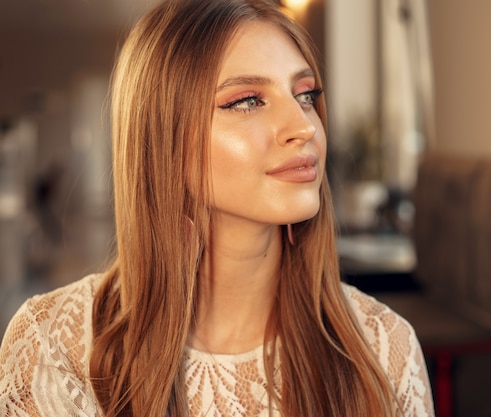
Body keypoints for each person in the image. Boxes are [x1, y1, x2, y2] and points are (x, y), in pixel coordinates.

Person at [0, 0, 434, 416]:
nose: (304, 127)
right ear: (163, 139)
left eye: (304, 94)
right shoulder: (52, 347)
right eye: (246, 100)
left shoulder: (382, 347)